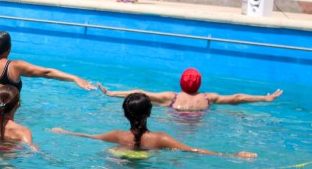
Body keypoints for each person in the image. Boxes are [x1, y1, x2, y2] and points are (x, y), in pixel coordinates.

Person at [51, 92, 257, 157]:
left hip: (121, 158)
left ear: (124, 113)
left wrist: (64, 131)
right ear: (150, 112)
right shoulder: (160, 138)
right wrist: (232, 155)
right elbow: (192, 150)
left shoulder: (117, 136)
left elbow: (89, 137)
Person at [98, 68, 283, 112]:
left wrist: (111, 93)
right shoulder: (208, 98)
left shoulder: (170, 97)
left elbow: (140, 93)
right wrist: (263, 98)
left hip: (175, 122)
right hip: (201, 123)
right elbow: (237, 98)